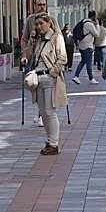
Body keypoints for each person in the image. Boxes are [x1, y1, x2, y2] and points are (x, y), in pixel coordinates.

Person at [28, 14, 68, 155]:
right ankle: (50, 140)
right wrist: (31, 42)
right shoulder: (38, 40)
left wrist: (53, 71)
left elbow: (62, 57)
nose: (39, 27)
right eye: (36, 24)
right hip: (38, 78)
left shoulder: (57, 37)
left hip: (50, 78)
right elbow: (29, 56)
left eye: (41, 23)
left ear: (49, 23)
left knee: (50, 112)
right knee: (43, 113)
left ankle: (54, 144)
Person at [71, 11, 101, 84]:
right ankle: (90, 78)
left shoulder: (83, 21)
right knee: (88, 63)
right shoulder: (90, 24)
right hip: (87, 46)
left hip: (82, 45)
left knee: (83, 61)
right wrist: (97, 25)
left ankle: (77, 76)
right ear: (94, 17)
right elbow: (97, 34)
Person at [20, 0, 49, 71]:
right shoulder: (30, 19)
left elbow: (58, 36)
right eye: (39, 5)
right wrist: (24, 54)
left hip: (46, 55)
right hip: (32, 55)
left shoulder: (50, 19)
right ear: (34, 6)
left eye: (44, 4)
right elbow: (24, 39)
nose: (42, 7)